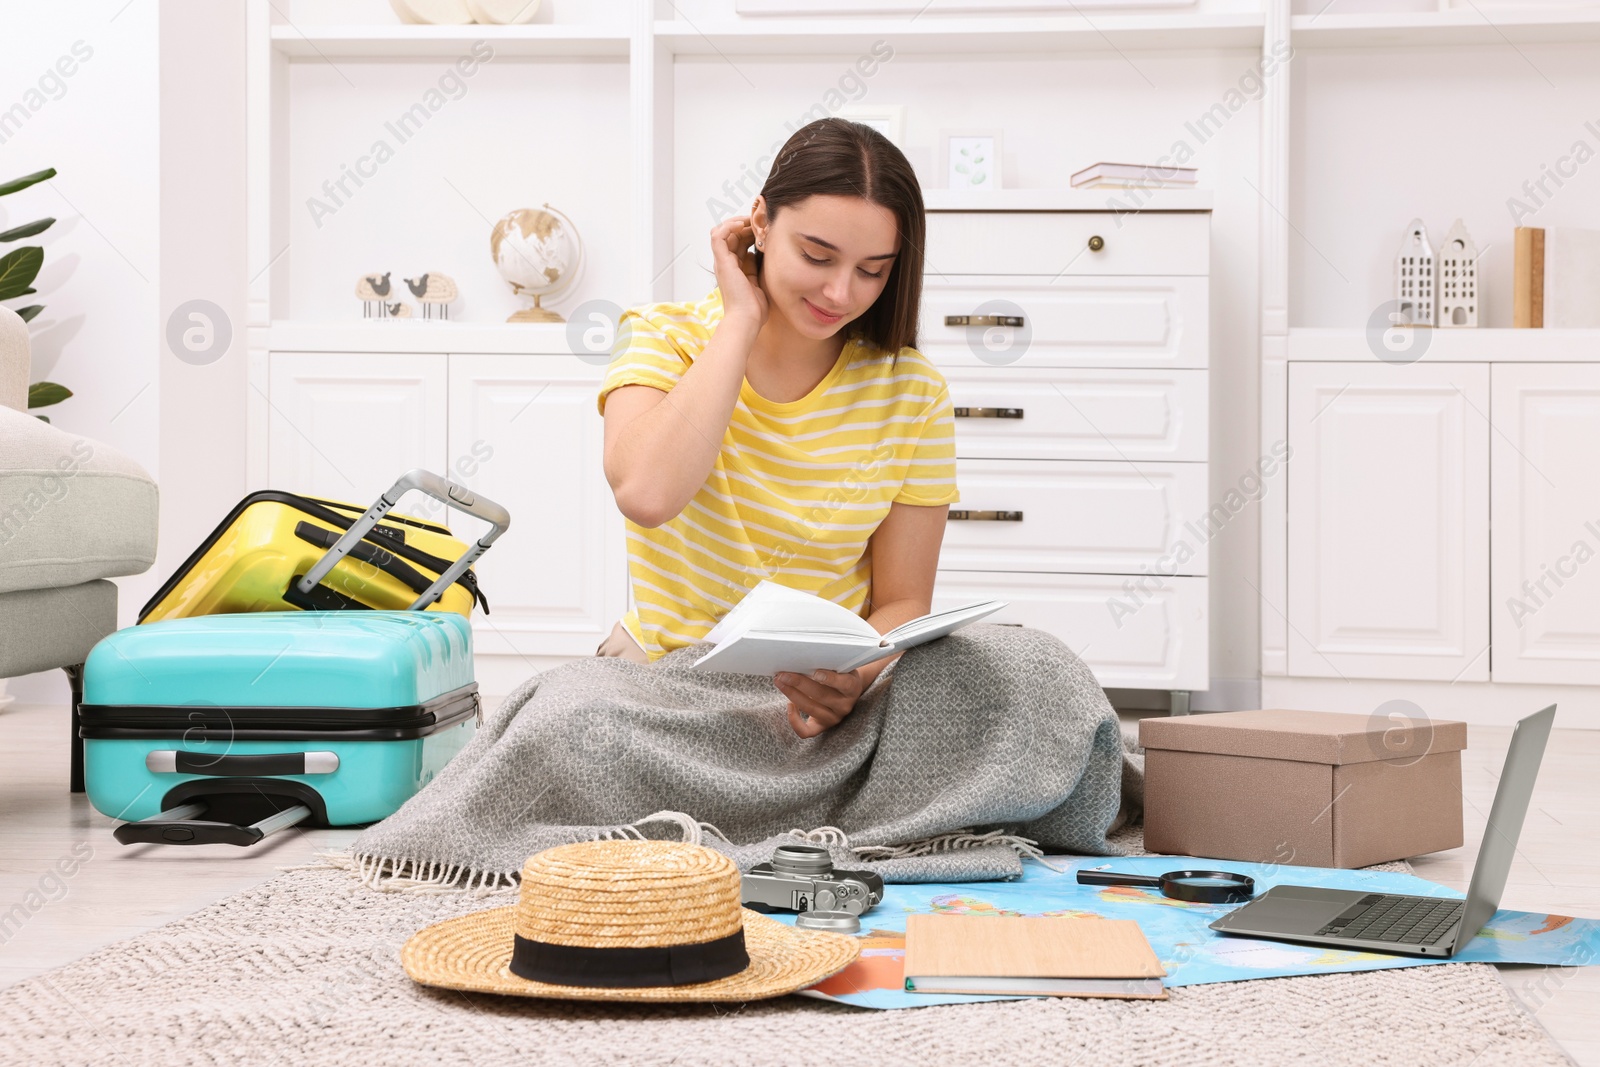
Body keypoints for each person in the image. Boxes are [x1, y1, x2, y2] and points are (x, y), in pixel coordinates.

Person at [595, 117, 958, 739]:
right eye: (816, 256)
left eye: (872, 270)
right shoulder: (663, 337)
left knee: (1027, 669)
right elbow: (646, 496)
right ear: (759, 223)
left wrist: (857, 675)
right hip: (666, 682)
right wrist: (740, 318)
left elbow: (903, 601)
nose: (840, 292)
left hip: (815, 702)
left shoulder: (914, 390)